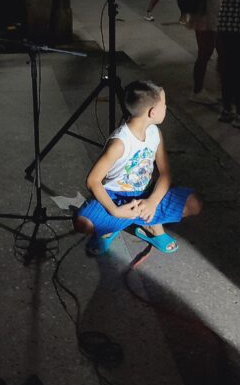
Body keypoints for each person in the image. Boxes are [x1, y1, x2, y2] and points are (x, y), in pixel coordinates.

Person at [75, 80, 203, 255]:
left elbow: (165, 174)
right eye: (164, 105)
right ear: (152, 112)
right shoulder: (119, 143)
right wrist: (115, 210)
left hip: (146, 193)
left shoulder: (155, 133)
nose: (166, 108)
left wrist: (152, 202)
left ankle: (145, 224)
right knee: (83, 223)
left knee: (193, 204)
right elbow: (93, 181)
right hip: (116, 197)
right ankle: (117, 226)